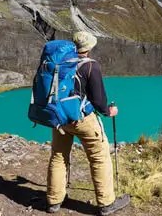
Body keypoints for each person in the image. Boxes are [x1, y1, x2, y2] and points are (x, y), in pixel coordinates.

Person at [46, 31, 130, 215]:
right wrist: (109, 111)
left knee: (58, 156)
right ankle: (107, 203)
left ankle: (54, 201)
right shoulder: (91, 66)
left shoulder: (59, 62)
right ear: (89, 47)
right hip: (82, 119)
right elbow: (99, 101)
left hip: (59, 118)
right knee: (99, 156)